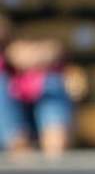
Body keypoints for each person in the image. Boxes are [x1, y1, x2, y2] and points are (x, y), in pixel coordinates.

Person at [0, 13, 73, 159]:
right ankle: (20, 151)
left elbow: (57, 53)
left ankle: (55, 150)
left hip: (42, 104)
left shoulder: (22, 48)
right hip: (12, 119)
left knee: (53, 84)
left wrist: (36, 56)